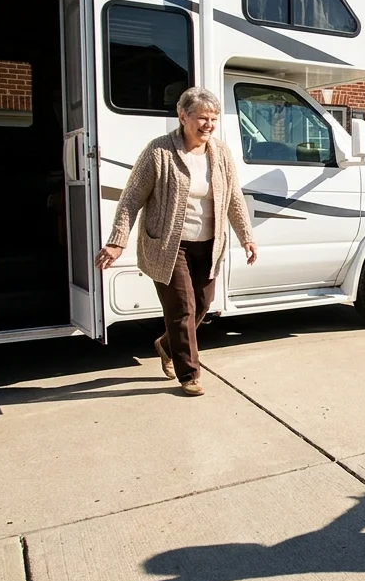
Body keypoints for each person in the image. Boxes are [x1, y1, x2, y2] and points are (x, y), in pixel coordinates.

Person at [95, 88, 257, 396]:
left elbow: (234, 197)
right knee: (183, 308)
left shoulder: (220, 152)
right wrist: (117, 241)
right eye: (201, 118)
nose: (208, 125)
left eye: (213, 119)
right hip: (170, 246)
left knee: (203, 305)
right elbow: (131, 200)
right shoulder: (159, 152)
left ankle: (166, 344)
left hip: (208, 245)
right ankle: (189, 374)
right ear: (182, 117)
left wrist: (246, 237)